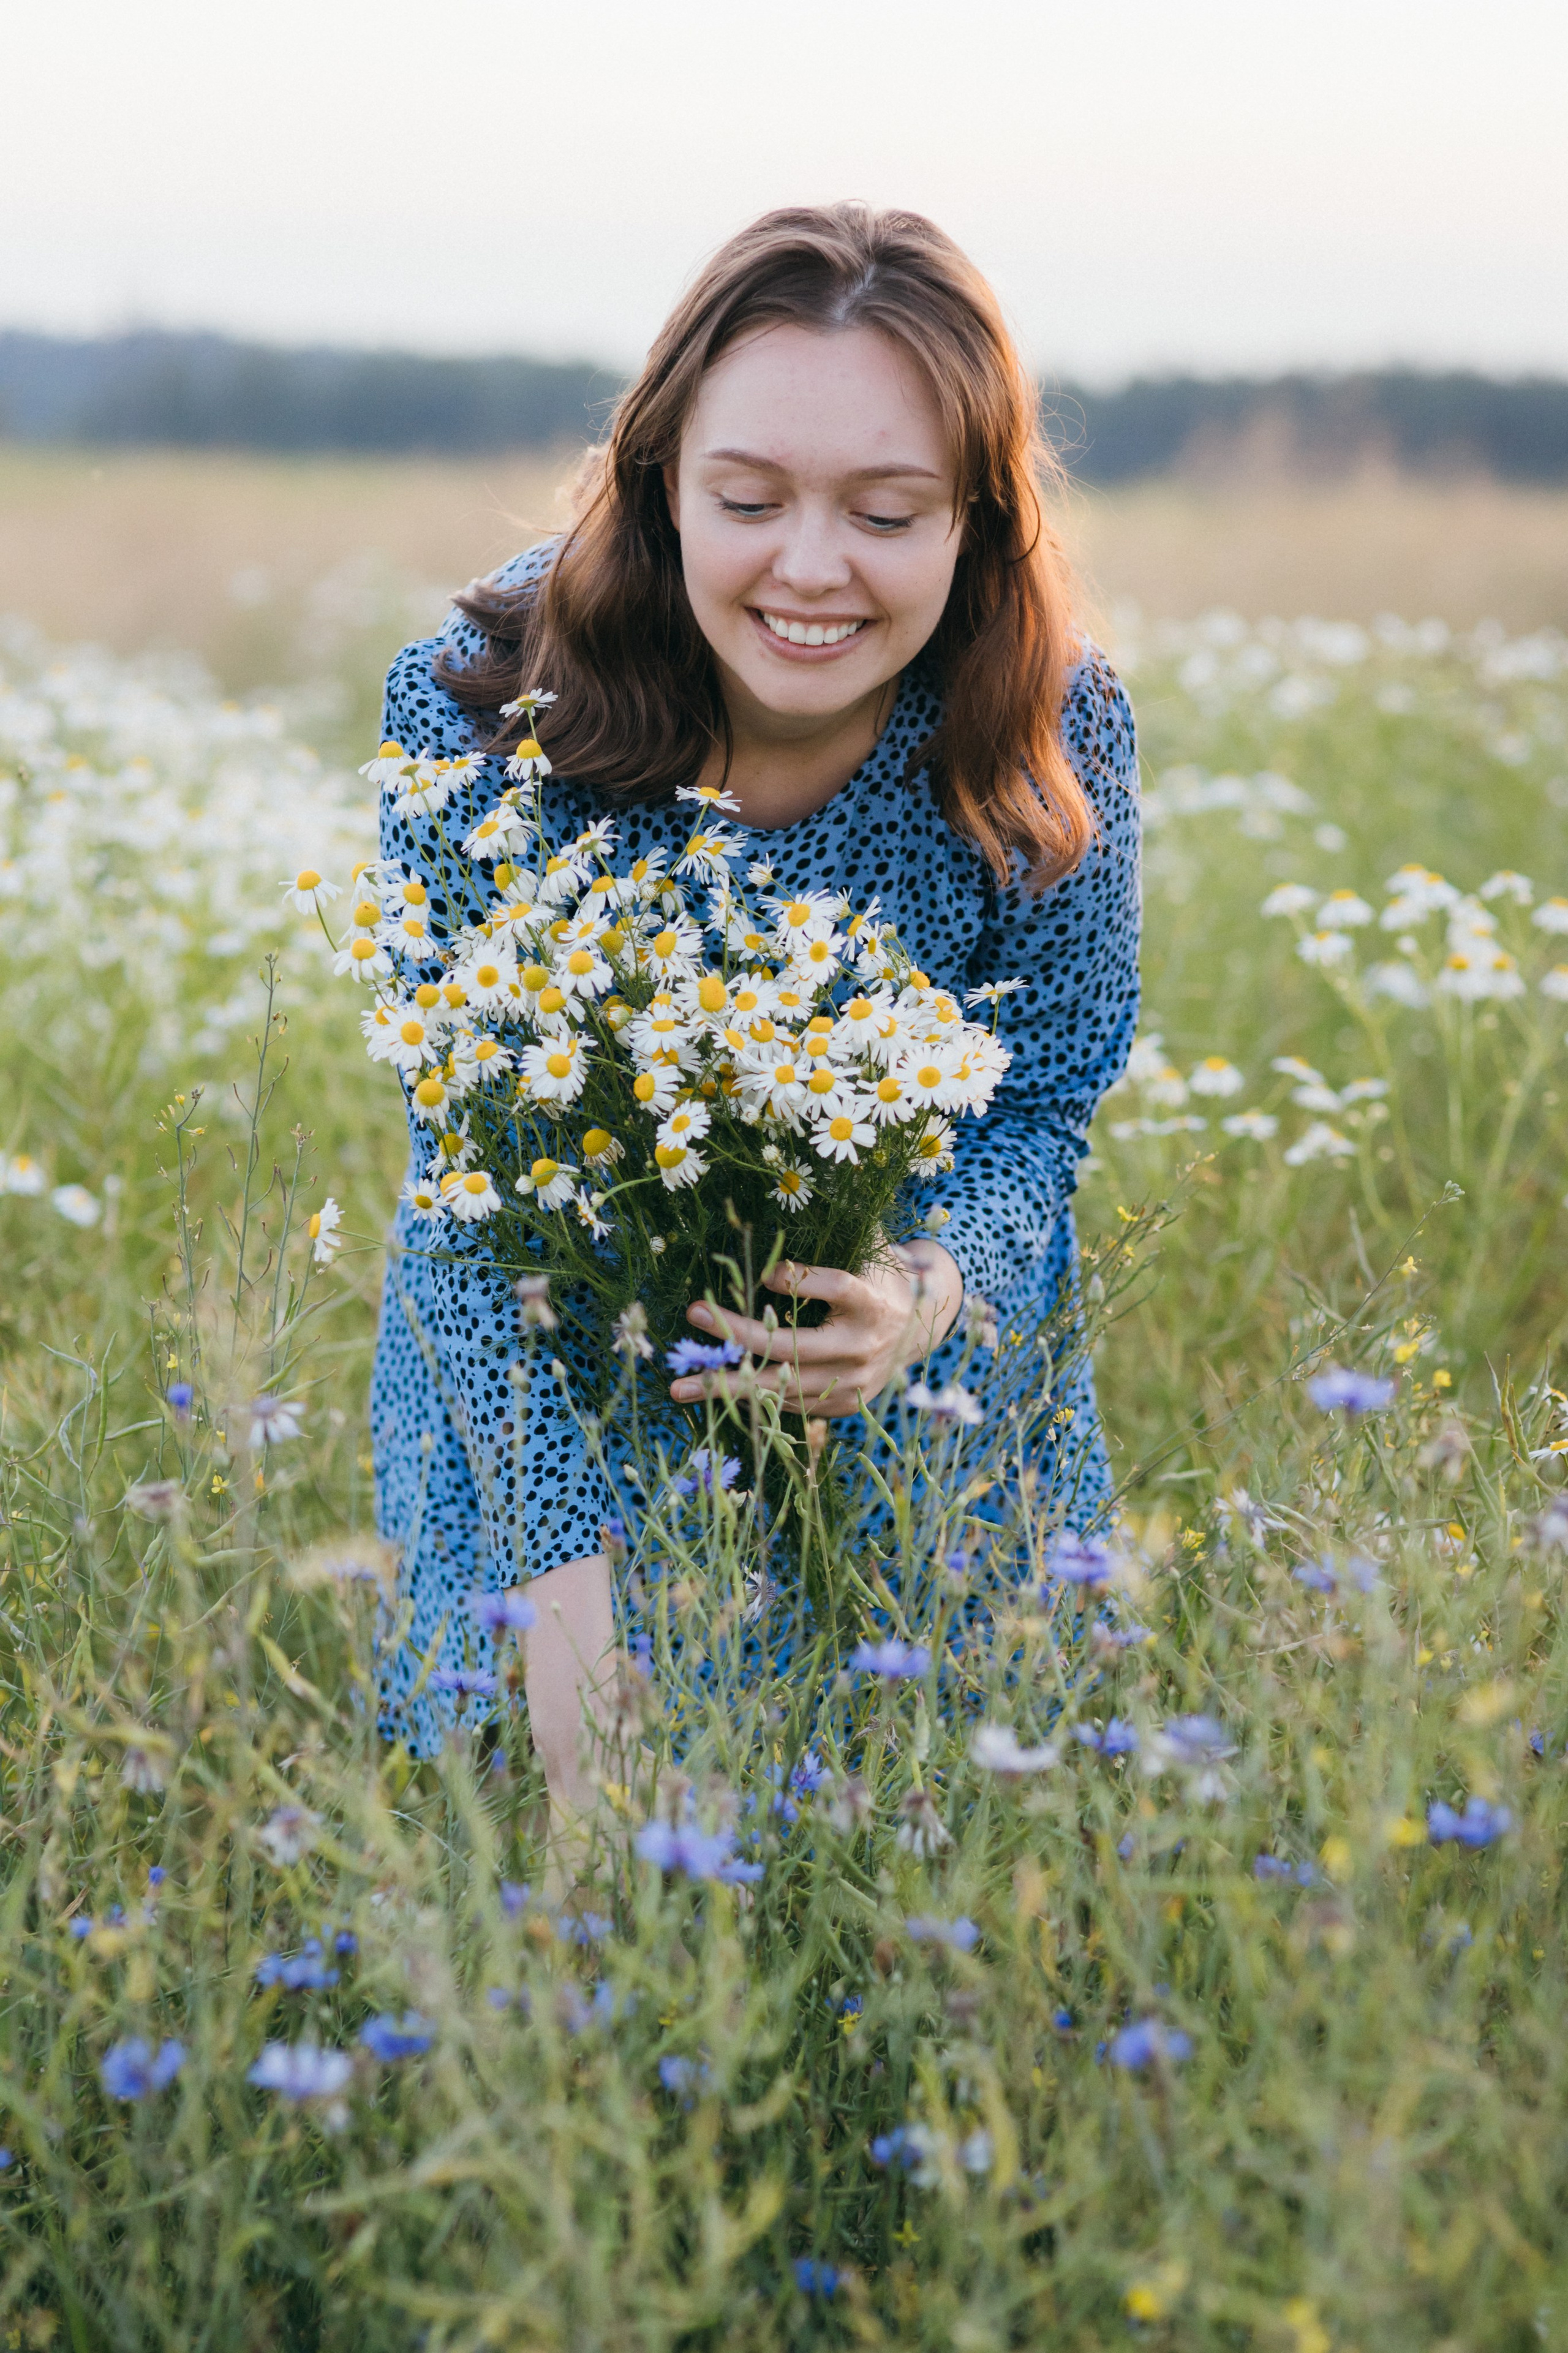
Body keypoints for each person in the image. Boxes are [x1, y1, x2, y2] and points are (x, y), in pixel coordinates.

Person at [368, 202, 1141, 1861]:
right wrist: (569, 1610)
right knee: (580, 1842)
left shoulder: (1050, 727)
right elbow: (473, 1202)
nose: (811, 566)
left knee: (957, 1859)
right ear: (658, 484)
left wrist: (925, 1299)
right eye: (747, 499)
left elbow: (1050, 1098)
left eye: (887, 511)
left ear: (979, 522)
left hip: (905, 1354)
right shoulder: (479, 716)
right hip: (561, 1355)